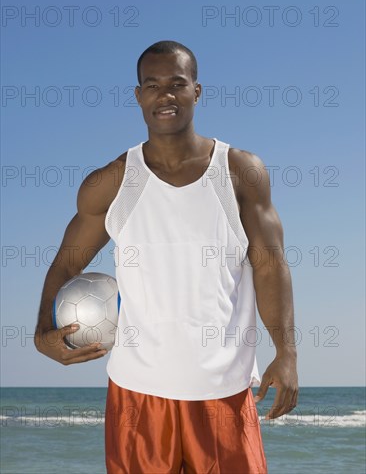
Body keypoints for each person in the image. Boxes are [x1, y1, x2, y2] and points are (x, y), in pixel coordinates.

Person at [34, 40, 298, 473]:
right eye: (152, 85)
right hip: (137, 394)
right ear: (138, 96)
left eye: (177, 83)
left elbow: (270, 264)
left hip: (223, 390)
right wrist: (43, 330)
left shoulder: (240, 172)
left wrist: (286, 353)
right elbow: (66, 263)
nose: (165, 95)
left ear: (197, 91)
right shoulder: (113, 183)